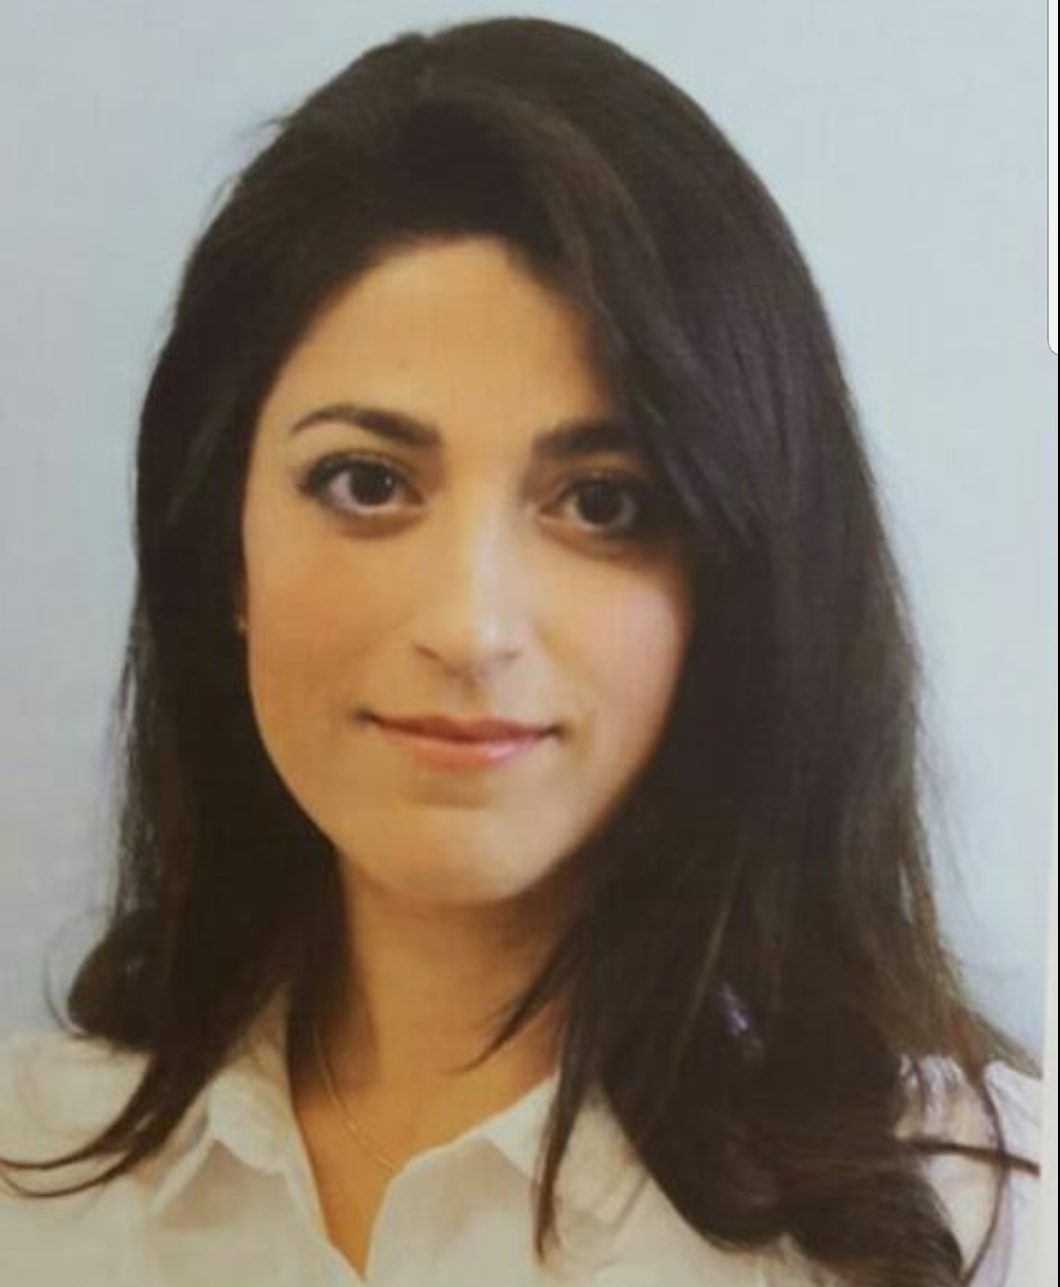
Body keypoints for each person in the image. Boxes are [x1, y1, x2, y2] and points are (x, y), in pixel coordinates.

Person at [0, 15, 1041, 1287]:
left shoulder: (977, 1213)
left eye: (602, 501)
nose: (469, 627)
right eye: (365, 481)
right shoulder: (31, 1184)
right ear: (222, 547)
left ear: (738, 580)